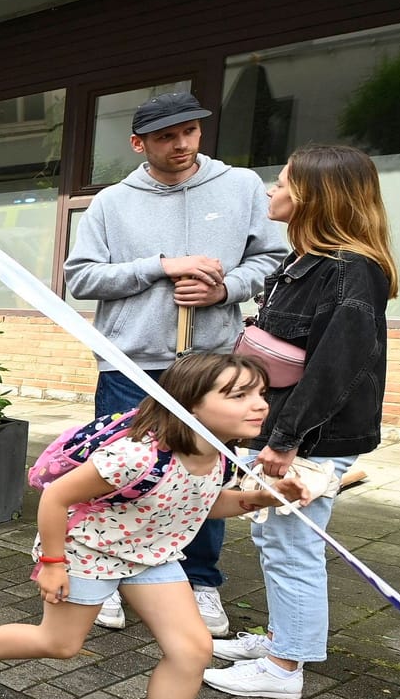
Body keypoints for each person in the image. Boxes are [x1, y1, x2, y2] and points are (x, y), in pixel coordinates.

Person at [0, 352, 309, 699]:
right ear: (188, 402)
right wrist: (52, 563)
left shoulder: (223, 453)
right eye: (238, 394)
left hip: (152, 556)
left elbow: (202, 503)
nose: (260, 405)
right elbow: (55, 496)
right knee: (59, 643)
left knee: (193, 650)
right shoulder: (134, 456)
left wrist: (259, 498)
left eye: (261, 393)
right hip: (90, 551)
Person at [63, 91, 287, 635]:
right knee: (117, 471)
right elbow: (81, 277)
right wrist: (161, 267)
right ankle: (106, 576)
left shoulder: (239, 188)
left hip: (213, 365)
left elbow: (274, 258)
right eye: (165, 136)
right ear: (139, 144)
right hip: (131, 361)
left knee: (206, 474)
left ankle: (200, 581)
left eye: (189, 131)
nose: (181, 144)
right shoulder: (112, 203)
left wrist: (226, 289)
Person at [204, 144, 398, 699]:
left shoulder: (350, 272)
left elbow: (336, 370)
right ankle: (280, 640)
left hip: (312, 436)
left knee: (292, 544)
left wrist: (285, 442)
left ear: (313, 196)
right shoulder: (304, 261)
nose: (272, 190)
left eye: (283, 182)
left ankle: (285, 668)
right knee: (275, 539)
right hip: (285, 429)